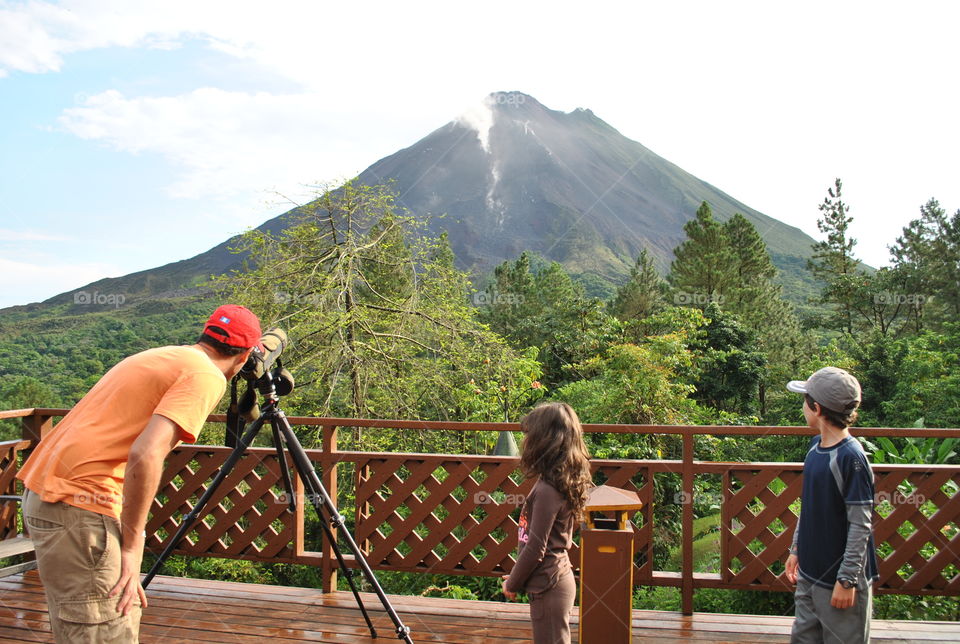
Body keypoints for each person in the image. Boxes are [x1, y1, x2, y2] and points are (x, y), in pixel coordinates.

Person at [18, 304, 262, 643]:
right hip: (80, 504)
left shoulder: (165, 355)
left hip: (47, 493)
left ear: (204, 335)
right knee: (106, 628)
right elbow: (146, 453)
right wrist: (133, 548)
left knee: (93, 620)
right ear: (245, 355)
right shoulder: (205, 376)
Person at [784, 366, 878, 644]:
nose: (803, 407)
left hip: (840, 582)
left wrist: (847, 580)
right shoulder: (815, 448)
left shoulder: (852, 458)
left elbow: (861, 524)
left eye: (805, 401)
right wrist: (797, 548)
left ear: (816, 408)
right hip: (810, 574)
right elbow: (810, 506)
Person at [502, 402, 592, 644]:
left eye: (530, 435)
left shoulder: (547, 490)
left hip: (549, 585)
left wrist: (512, 582)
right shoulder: (559, 482)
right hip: (553, 580)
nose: (526, 441)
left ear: (545, 440)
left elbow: (535, 548)